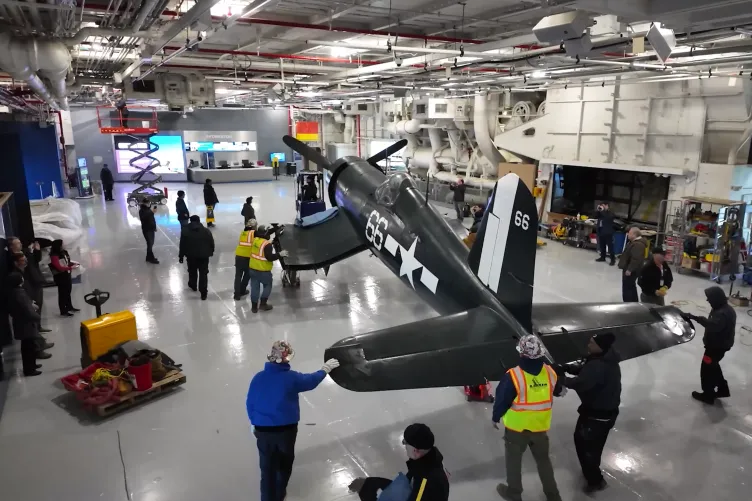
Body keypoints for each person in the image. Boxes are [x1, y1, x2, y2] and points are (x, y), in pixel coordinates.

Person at [246, 341, 340, 501]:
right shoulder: (291, 378)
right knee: (284, 465)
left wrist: (254, 423)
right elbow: (310, 381)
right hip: (285, 431)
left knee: (267, 467)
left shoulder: (258, 377)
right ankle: (279, 494)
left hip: (262, 430)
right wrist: (325, 369)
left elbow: (250, 402)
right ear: (286, 358)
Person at [492, 335, 562, 501]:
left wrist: (495, 417)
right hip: (540, 428)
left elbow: (502, 401)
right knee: (544, 462)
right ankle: (554, 496)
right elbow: (557, 389)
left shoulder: (513, 376)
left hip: (517, 430)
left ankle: (514, 493)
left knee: (514, 462)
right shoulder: (550, 373)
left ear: (521, 353)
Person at [561, 333, 621, 494]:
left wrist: (560, 378)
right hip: (606, 412)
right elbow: (586, 369)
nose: (588, 345)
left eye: (592, 343)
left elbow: (581, 383)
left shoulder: (598, 365)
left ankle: (595, 480)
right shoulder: (605, 358)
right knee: (595, 445)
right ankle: (593, 468)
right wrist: (569, 368)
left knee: (584, 444)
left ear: (600, 346)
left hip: (597, 415)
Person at [349, 423, 450, 501]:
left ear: (416, 451)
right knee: (370, 484)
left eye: (405, 443)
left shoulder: (424, 482)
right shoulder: (433, 459)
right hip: (411, 490)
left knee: (368, 492)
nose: (404, 445)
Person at [683, 286, 736, 404]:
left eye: (709, 298)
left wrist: (695, 318)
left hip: (716, 347)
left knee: (706, 370)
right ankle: (723, 389)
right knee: (713, 365)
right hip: (720, 345)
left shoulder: (722, 313)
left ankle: (708, 395)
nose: (708, 301)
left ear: (716, 298)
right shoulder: (725, 308)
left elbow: (713, 325)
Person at [7, 272, 46, 376]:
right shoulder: (20, 294)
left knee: (28, 346)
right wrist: (36, 317)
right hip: (26, 324)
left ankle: (32, 365)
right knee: (28, 348)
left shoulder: (13, 292)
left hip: (21, 323)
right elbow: (27, 309)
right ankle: (29, 369)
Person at [7, 237, 49, 332]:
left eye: (20, 242)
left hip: (36, 280)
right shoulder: (12, 257)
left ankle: (38, 326)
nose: (20, 244)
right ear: (11, 246)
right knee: (30, 307)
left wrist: (37, 251)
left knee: (38, 304)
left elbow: (35, 261)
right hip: (26, 283)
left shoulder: (25, 252)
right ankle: (33, 331)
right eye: (17, 243)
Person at [248, 225, 287, 313]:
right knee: (268, 285)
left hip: (252, 269)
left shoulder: (255, 240)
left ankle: (254, 307)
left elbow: (266, 232)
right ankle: (263, 304)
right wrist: (280, 254)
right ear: (265, 234)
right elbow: (269, 257)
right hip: (263, 270)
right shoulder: (267, 245)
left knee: (254, 288)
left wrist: (275, 228)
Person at [178, 215, 215, 300]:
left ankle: (193, 285)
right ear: (199, 221)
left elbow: (182, 244)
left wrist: (181, 256)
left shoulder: (185, 231)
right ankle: (203, 293)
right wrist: (211, 252)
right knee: (203, 274)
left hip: (191, 256)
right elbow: (211, 243)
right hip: (204, 257)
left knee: (192, 271)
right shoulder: (206, 231)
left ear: (190, 221)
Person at [49, 239, 80, 317]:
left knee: (68, 291)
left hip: (67, 274)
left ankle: (69, 306)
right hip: (60, 276)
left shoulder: (64, 252)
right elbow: (58, 267)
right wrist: (70, 268)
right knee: (62, 293)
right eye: (63, 244)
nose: (64, 245)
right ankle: (63, 310)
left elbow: (67, 262)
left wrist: (73, 264)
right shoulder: (54, 255)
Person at [617, 227, 647, 303]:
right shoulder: (634, 242)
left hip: (631, 270)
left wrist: (630, 269)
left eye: (629, 233)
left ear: (634, 234)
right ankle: (633, 302)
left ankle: (628, 303)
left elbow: (636, 259)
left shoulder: (638, 245)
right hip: (630, 268)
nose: (628, 235)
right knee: (631, 286)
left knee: (627, 287)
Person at [234, 219, 258, 300]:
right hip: (248, 257)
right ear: (254, 226)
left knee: (238, 276)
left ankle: (236, 294)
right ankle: (242, 290)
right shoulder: (254, 233)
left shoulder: (242, 233)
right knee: (247, 274)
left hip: (238, 256)